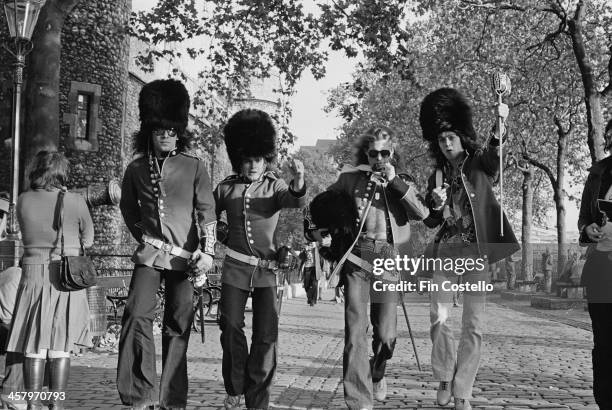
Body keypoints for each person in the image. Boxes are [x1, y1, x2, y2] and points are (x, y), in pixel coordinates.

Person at [305, 125, 429, 410]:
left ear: (392, 152)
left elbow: (421, 213)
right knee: (355, 332)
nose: (379, 158)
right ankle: (358, 400)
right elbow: (320, 206)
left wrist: (395, 182)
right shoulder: (349, 178)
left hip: (387, 259)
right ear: (367, 153)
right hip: (356, 259)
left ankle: (378, 370)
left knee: (386, 336)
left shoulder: (402, 181)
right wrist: (318, 230)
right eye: (374, 153)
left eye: (385, 153)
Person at [117, 79, 216, 410]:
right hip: (149, 255)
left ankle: (172, 399)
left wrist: (208, 251)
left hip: (186, 260)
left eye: (171, 129)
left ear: (179, 130)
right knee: (135, 315)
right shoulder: (135, 169)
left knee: (177, 327)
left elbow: (207, 212)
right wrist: (144, 237)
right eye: (159, 128)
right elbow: (130, 210)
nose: (165, 134)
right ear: (150, 128)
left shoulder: (194, 166)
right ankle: (138, 394)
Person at [419, 88, 520, 410]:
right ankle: (445, 375)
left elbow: (494, 158)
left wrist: (499, 128)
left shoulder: (478, 163)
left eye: (451, 137)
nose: (446, 144)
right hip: (447, 254)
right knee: (439, 317)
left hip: (476, 255)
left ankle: (463, 390)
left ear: (461, 137)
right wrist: (433, 205)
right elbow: (432, 221)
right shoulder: (435, 175)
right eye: (441, 139)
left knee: (473, 325)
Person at [214, 109, 306, 410]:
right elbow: (204, 214)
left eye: (258, 159)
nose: (252, 164)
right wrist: (219, 230)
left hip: (267, 272)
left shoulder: (275, 186)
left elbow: (294, 199)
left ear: (266, 159)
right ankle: (235, 384)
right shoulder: (226, 187)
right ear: (239, 158)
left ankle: (258, 400)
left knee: (266, 336)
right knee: (229, 325)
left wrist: (299, 178)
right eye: (247, 158)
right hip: (235, 269)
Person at [5, 151, 94, 410]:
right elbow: (88, 240)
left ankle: (33, 404)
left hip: (32, 274)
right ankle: (56, 404)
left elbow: (24, 231)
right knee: (60, 344)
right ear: (61, 172)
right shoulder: (75, 201)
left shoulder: (22, 200)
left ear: (37, 171)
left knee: (33, 342)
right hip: (66, 276)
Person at [577, 117, 612, 409]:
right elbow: (584, 216)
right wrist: (588, 228)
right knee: (604, 344)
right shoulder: (599, 172)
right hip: (602, 269)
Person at [0, 193, 26, 410]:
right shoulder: (17, 277)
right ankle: (11, 393)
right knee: (19, 339)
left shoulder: (12, 272)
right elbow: (8, 317)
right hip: (2, 327)